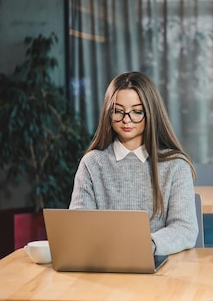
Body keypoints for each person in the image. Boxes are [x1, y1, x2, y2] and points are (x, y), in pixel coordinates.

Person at [69, 71, 198, 256]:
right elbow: (78, 226)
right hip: (103, 264)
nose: (126, 119)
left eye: (137, 112)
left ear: (151, 113)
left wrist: (146, 246)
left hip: (157, 266)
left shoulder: (176, 165)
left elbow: (185, 229)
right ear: (108, 112)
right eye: (118, 111)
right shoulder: (92, 163)